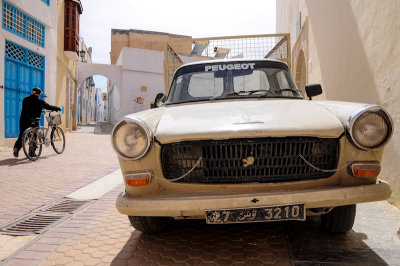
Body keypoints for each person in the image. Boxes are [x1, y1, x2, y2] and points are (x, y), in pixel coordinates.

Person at [13, 87, 61, 157]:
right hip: (33, 121)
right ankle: (31, 153)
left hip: (23, 120)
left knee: (22, 136)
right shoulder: (40, 101)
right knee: (35, 135)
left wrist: (39, 110)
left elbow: (30, 108)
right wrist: (57, 108)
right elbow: (48, 106)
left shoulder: (25, 100)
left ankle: (16, 148)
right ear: (39, 94)